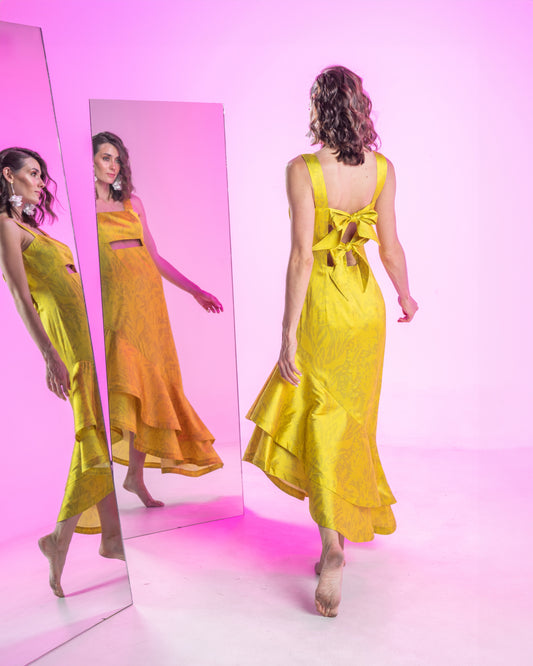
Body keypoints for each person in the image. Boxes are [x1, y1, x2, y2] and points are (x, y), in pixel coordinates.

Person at [243, 66, 418, 618]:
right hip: (365, 306)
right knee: (353, 421)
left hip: (322, 304)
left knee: (322, 417)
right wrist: (405, 295)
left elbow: (302, 255)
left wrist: (286, 334)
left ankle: (332, 547)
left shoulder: (302, 169)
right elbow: (390, 247)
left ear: (318, 108)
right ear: (361, 107)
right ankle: (336, 537)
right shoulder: (382, 168)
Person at [0, 147, 124, 598]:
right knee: (91, 429)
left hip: (83, 333)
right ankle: (68, 539)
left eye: (41, 175)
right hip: (66, 340)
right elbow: (20, 295)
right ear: (8, 176)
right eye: (32, 174)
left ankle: (106, 536)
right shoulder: (5, 226)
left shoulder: (29, 227)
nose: (40, 182)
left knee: (97, 430)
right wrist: (49, 356)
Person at [93, 131, 224, 509]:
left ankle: (134, 476)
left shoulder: (132, 203)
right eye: (105, 157)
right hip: (116, 308)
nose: (113, 165)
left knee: (152, 388)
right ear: (91, 161)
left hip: (150, 308)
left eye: (117, 158)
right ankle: (98, 484)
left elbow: (154, 257)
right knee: (124, 388)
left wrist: (195, 290)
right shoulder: (83, 207)